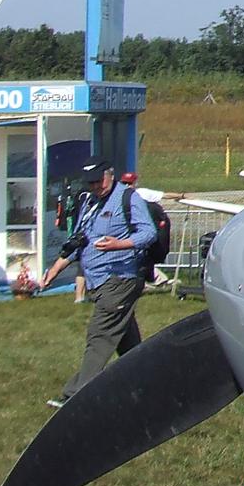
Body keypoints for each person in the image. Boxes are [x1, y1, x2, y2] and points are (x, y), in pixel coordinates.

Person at [39, 163, 156, 407]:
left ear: (109, 175)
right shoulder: (90, 202)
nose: (95, 187)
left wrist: (120, 244)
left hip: (122, 278)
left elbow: (148, 233)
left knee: (100, 335)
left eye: (99, 181)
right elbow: (80, 240)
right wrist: (56, 268)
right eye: (90, 182)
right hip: (97, 281)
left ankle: (76, 397)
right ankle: (149, 384)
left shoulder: (128, 198)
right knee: (127, 342)